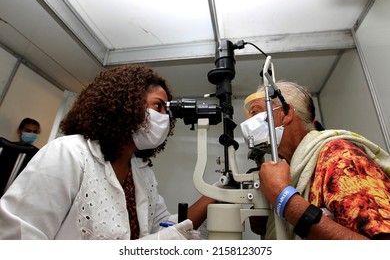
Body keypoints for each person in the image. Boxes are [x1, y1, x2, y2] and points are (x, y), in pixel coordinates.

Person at [0, 65, 214, 240]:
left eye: (167, 111)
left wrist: (215, 195)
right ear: (125, 104)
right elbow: (18, 238)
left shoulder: (141, 173)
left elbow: (164, 230)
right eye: (158, 106)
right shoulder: (68, 153)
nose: (164, 117)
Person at [241, 80, 390, 239]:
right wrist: (269, 218)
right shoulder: (292, 171)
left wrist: (284, 199)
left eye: (256, 113)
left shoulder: (339, 156)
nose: (248, 124)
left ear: (285, 113)